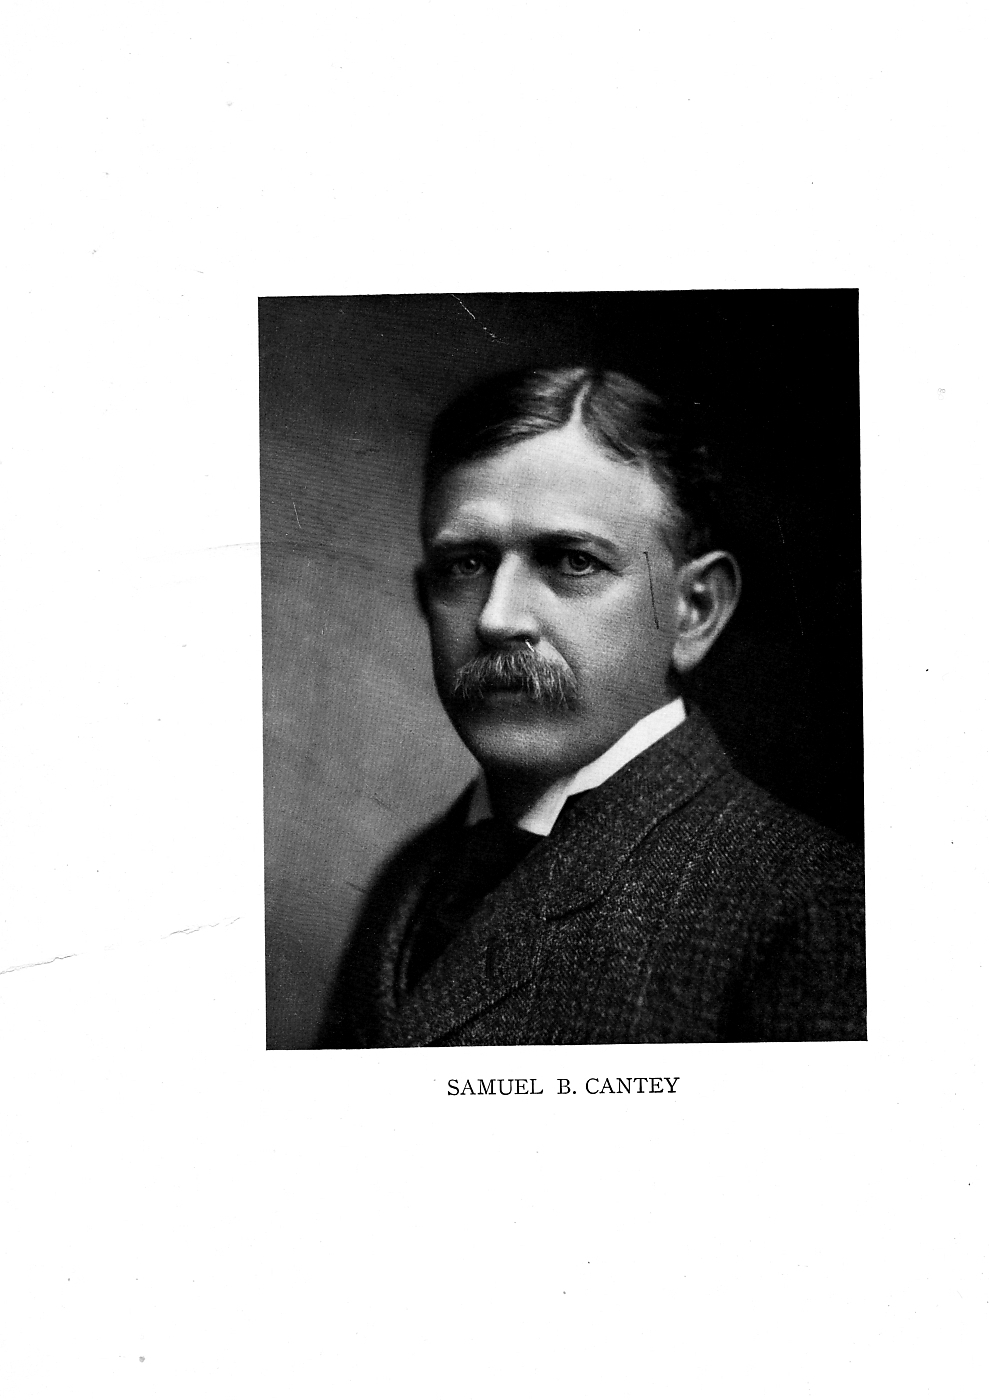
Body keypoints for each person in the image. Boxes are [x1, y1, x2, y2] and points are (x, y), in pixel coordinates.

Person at [317, 366, 865, 1047]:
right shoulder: (412, 874)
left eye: (572, 561)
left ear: (694, 610)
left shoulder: (809, 905)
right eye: (465, 564)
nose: (497, 618)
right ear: (424, 596)